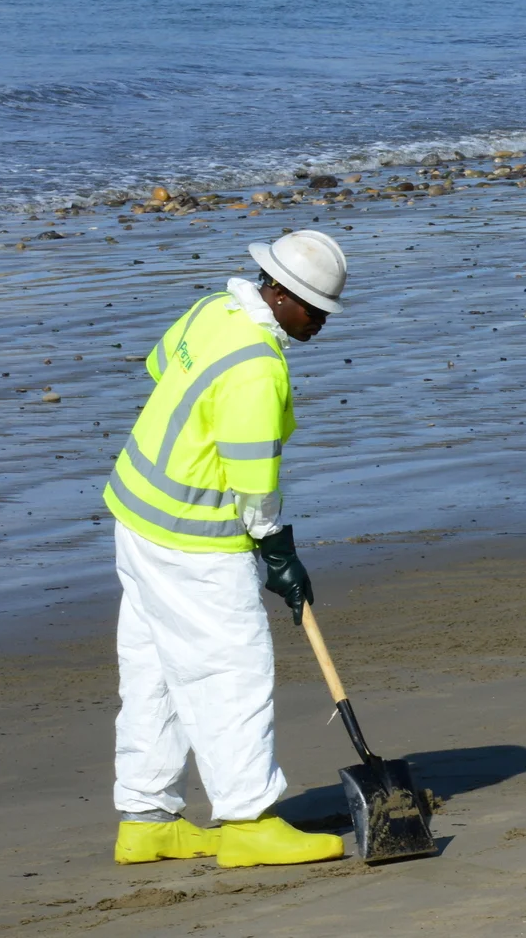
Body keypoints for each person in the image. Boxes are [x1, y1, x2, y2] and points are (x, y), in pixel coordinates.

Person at [102, 231, 352, 869]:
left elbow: (162, 367)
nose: (321, 322)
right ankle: (247, 821)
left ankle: (147, 819)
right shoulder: (257, 369)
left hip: (136, 513)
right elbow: (253, 479)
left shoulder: (213, 308)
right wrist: (276, 551)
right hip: (192, 540)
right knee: (230, 671)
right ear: (279, 292)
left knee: (155, 670)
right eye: (315, 309)